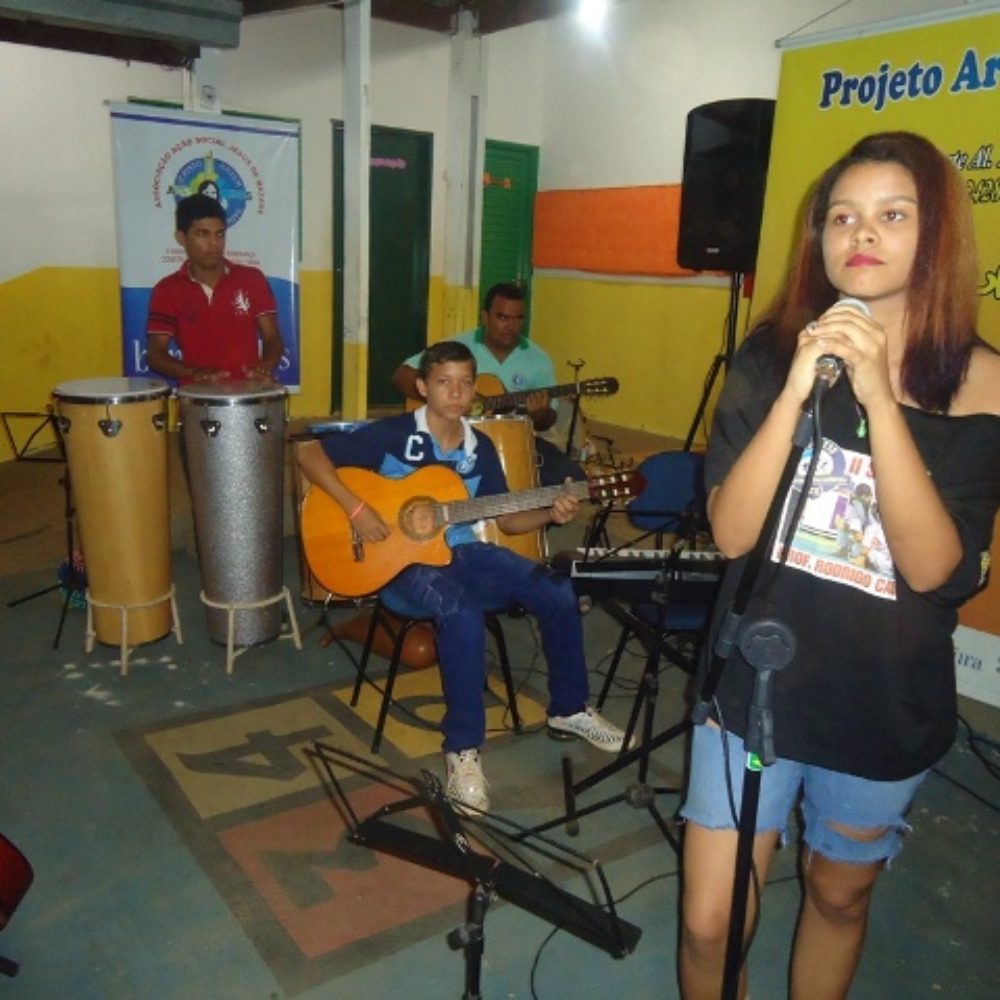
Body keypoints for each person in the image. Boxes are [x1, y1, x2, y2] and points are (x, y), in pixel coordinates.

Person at [678, 131, 1000, 999]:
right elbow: (731, 535)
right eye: (844, 217)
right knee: (710, 919)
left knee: (838, 894)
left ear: (933, 237)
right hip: (756, 680)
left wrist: (875, 396)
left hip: (882, 699)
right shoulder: (767, 356)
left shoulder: (981, 383)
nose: (863, 233)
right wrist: (796, 389)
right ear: (818, 236)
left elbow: (942, 569)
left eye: (894, 215)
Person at [299, 340, 627, 813]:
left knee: (556, 587)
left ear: (475, 389)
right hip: (399, 563)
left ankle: (570, 709)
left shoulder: (481, 448)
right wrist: (356, 509)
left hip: (465, 552)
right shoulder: (394, 434)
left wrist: (551, 516)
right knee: (462, 611)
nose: (455, 393)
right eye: (443, 382)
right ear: (422, 386)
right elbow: (309, 454)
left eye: (465, 383)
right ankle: (462, 750)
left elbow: (509, 521)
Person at [391, 282, 586, 486]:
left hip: (514, 442)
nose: (511, 326)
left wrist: (540, 414)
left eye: (518, 319)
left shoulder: (538, 359)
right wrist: (446, 400)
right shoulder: (458, 347)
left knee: (572, 480)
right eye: (502, 317)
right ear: (485, 317)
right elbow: (402, 375)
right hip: (457, 438)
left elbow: (547, 421)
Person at [146, 193, 285, 383]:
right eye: (202, 234)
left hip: (249, 396)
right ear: (181, 238)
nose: (214, 244)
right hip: (196, 402)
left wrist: (265, 366)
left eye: (219, 234)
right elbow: (156, 355)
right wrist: (193, 373)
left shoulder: (252, 279)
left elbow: (272, 337)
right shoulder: (167, 290)